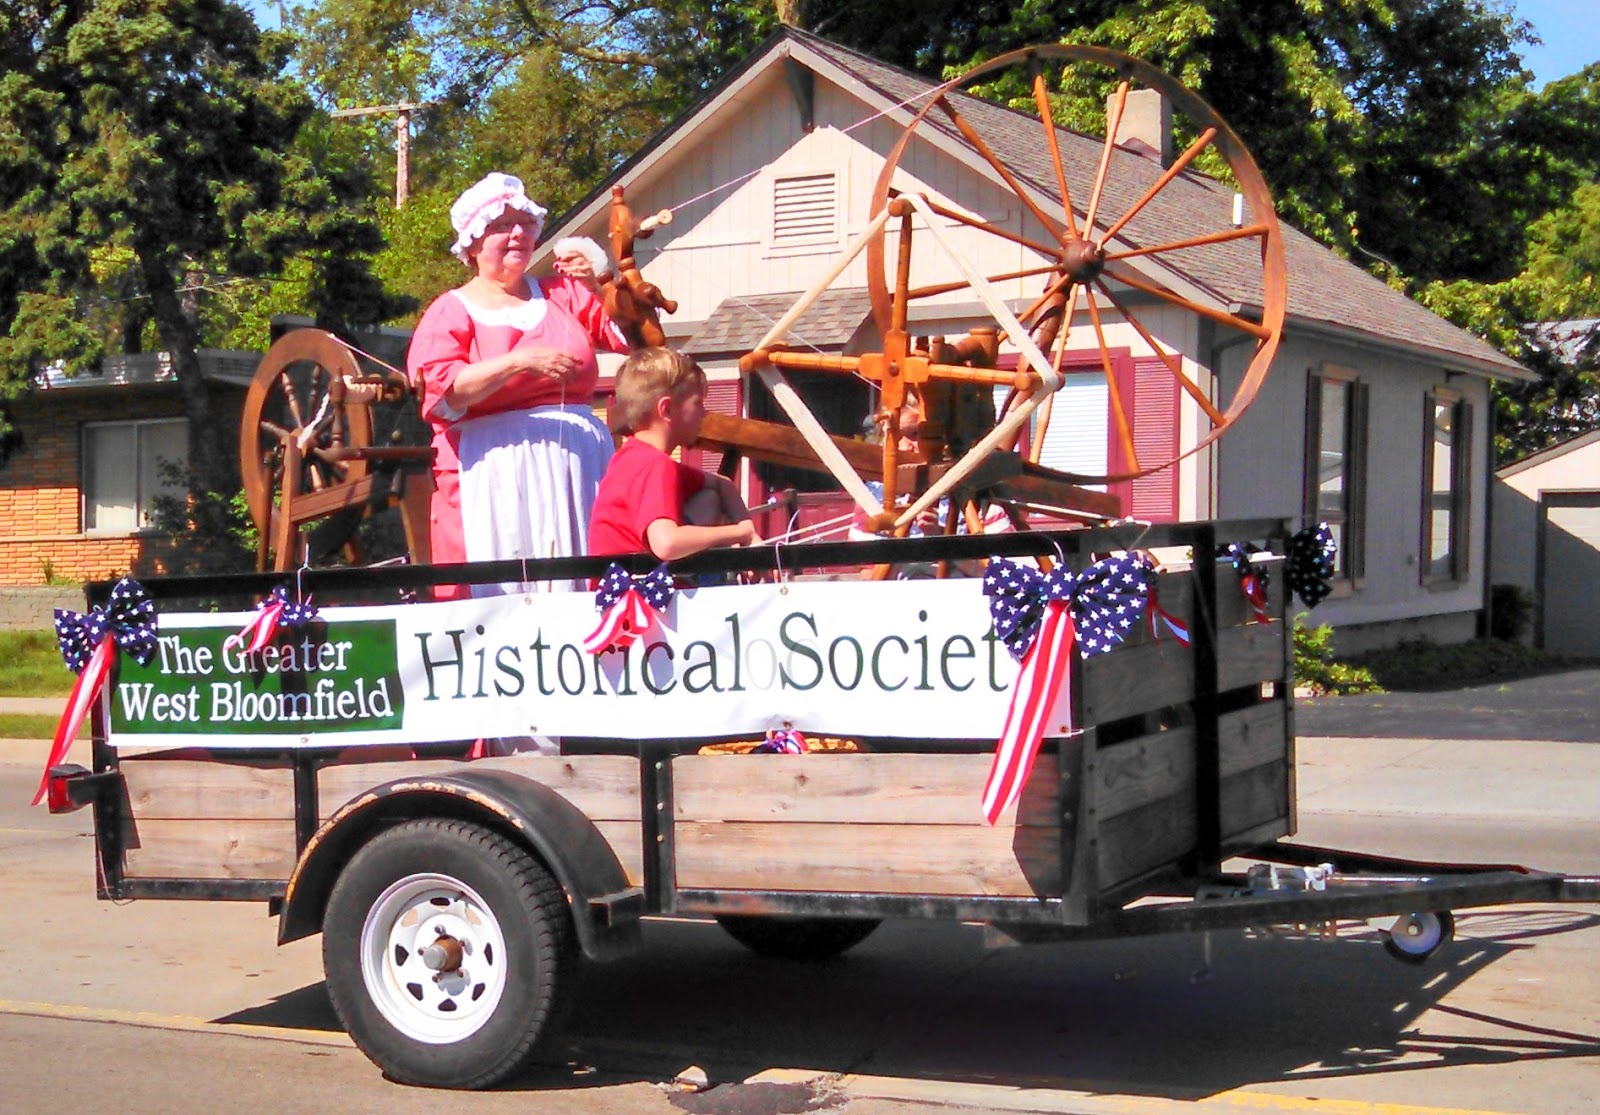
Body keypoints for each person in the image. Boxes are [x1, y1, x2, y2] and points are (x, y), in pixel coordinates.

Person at [407, 172, 629, 596]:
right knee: (506, 589)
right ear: (472, 243)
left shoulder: (563, 294)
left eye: (523, 225)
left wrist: (604, 278)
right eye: (499, 226)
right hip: (493, 474)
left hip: (574, 468)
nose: (516, 234)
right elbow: (443, 391)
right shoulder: (451, 310)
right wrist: (520, 361)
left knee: (583, 581)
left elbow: (632, 336)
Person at [589, 347, 759, 560]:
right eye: (698, 403)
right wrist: (740, 533)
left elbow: (722, 484)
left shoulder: (630, 458)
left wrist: (751, 539)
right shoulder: (655, 464)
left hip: (616, 585)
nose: (704, 413)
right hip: (637, 590)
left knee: (710, 497)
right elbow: (667, 543)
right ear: (666, 410)